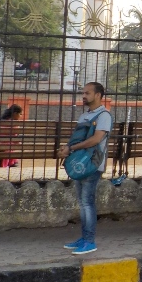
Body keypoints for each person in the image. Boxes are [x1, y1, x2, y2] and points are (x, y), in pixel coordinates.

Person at [58, 82, 113, 254]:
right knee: (82, 203)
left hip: (92, 164)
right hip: (80, 163)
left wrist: (72, 149)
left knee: (87, 203)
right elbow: (76, 139)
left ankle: (89, 241)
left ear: (98, 95)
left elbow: (96, 140)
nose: (84, 96)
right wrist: (67, 150)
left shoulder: (104, 115)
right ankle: (84, 237)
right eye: (83, 93)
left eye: (87, 93)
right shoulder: (84, 116)